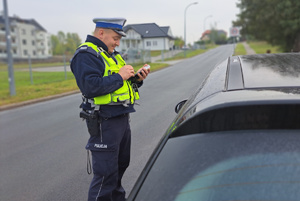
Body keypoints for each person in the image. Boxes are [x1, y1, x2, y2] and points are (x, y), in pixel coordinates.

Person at [70, 17, 150, 201]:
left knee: (119, 169)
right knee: (106, 175)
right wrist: (121, 76)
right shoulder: (86, 54)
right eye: (115, 37)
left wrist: (136, 79)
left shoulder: (110, 54)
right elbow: (90, 87)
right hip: (104, 121)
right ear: (101, 33)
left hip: (121, 118)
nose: (117, 42)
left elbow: (118, 85)